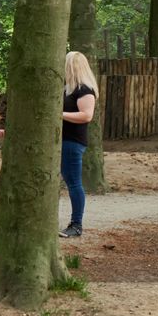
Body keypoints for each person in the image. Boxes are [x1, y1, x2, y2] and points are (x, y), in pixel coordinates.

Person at [60, 51, 98, 238]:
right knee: (68, 181)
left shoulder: (84, 89)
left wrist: (58, 114)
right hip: (62, 141)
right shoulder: (67, 88)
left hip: (72, 142)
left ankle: (77, 224)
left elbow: (86, 115)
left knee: (74, 183)